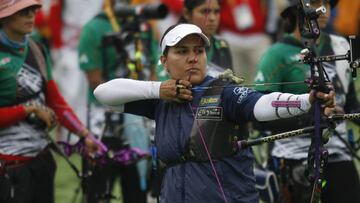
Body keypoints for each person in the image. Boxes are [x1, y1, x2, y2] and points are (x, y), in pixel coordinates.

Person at [93, 23, 335, 203]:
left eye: (198, 51)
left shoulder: (224, 92)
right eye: (182, 51)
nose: (192, 58)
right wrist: (159, 90)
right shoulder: (159, 100)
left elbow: (263, 104)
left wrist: (307, 100)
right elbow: (102, 93)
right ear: (165, 61)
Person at [253, 0, 360, 202]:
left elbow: (351, 105)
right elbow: (259, 118)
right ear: (296, 10)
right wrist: (314, 118)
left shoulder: (341, 46)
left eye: (327, 4)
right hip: (294, 162)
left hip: (339, 157)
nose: (323, 10)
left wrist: (340, 112)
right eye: (315, 2)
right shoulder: (276, 54)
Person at [0, 0, 102, 202]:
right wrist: (29, 110)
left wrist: (84, 134)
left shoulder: (37, 48)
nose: (31, 16)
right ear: (4, 16)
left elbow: (56, 102)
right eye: (23, 12)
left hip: (42, 162)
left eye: (33, 10)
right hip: (9, 168)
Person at [78, 0, 157, 202]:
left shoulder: (145, 25)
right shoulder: (94, 27)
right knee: (97, 192)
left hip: (140, 122)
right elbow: (95, 80)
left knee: (138, 193)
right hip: (104, 123)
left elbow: (154, 71)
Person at [156, 0, 233, 81]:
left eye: (216, 12)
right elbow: (162, 86)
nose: (212, 18)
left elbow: (230, 83)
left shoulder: (221, 45)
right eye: (204, 12)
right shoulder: (170, 43)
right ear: (186, 13)